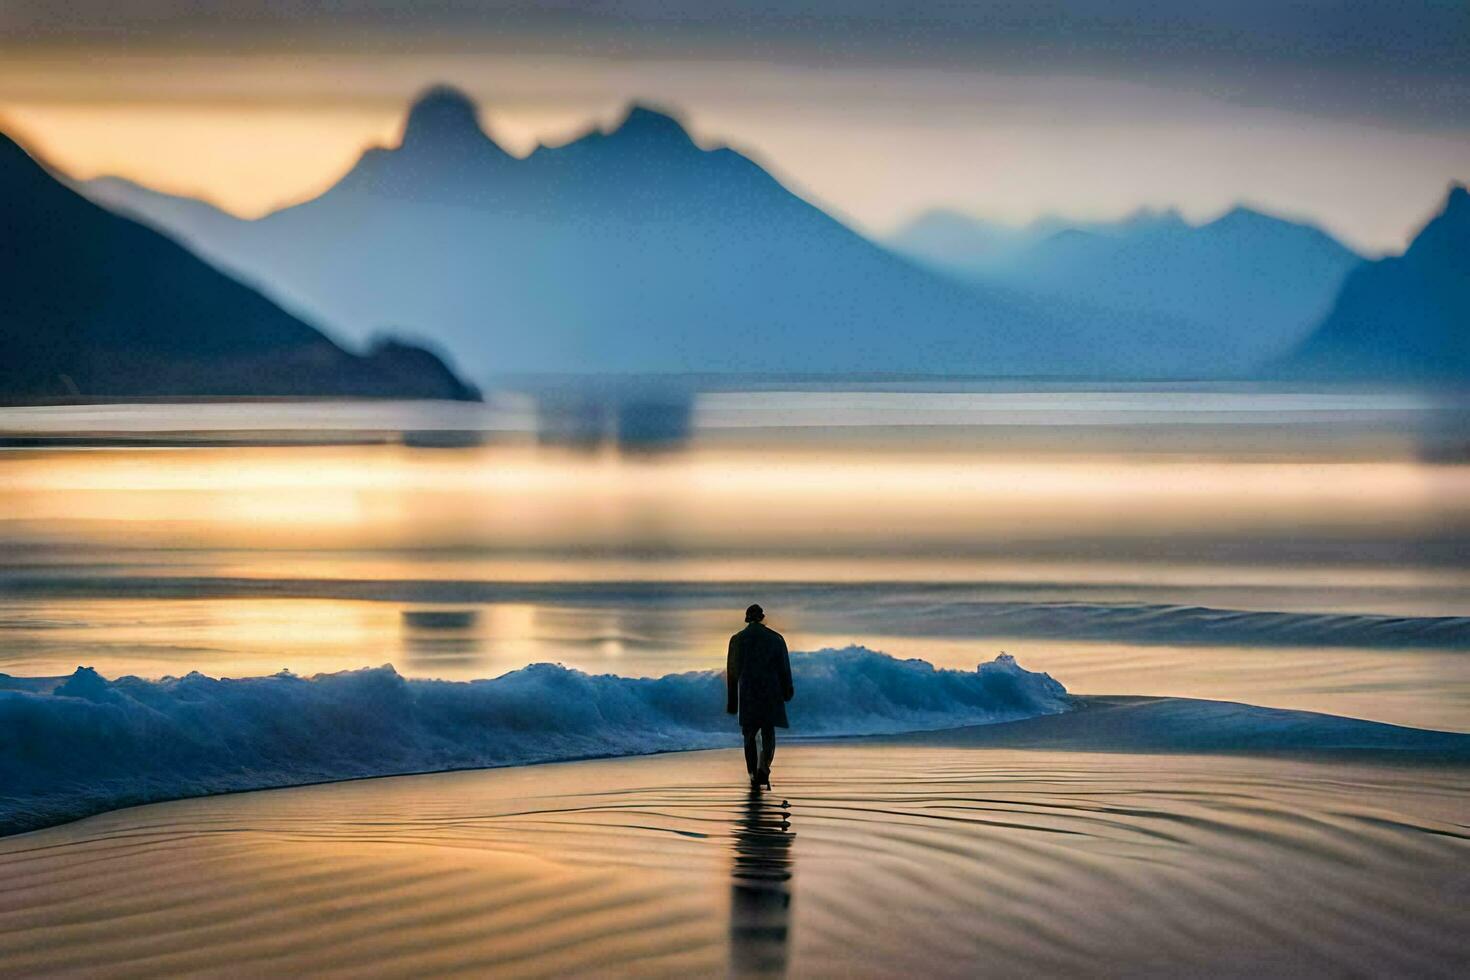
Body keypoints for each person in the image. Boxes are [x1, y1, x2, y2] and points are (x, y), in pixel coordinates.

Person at [726, 603, 794, 790]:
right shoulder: (776, 639)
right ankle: (764, 764)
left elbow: (732, 673)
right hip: (770, 692)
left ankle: (753, 774)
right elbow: (784, 668)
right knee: (768, 732)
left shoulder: (737, 639)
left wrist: (732, 702)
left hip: (748, 692)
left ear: (747, 619)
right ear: (762, 618)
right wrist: (788, 690)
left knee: (749, 735)